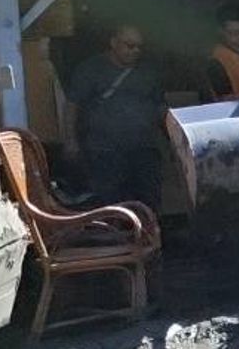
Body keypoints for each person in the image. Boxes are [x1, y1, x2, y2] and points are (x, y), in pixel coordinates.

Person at [64, 24, 166, 210]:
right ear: (113, 43)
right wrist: (71, 140)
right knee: (111, 204)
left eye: (139, 47)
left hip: (144, 150)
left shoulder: (148, 73)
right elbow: (72, 105)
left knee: (149, 203)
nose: (135, 51)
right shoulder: (90, 70)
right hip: (105, 150)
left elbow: (160, 108)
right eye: (129, 45)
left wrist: (173, 138)